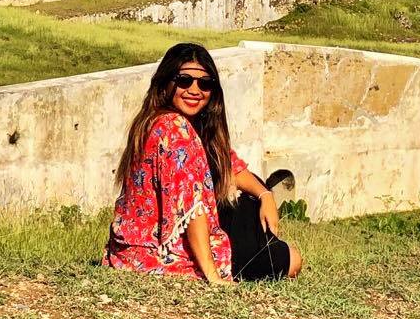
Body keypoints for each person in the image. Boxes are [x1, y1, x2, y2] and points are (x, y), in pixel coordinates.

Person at [105, 43, 302, 284]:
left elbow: (229, 165)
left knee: (251, 209)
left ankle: (260, 241)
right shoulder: (175, 129)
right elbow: (192, 207)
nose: (195, 90)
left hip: (129, 250)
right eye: (184, 80)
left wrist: (265, 195)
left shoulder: (160, 122)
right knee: (292, 259)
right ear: (166, 82)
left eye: (205, 83)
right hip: (161, 253)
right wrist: (212, 274)